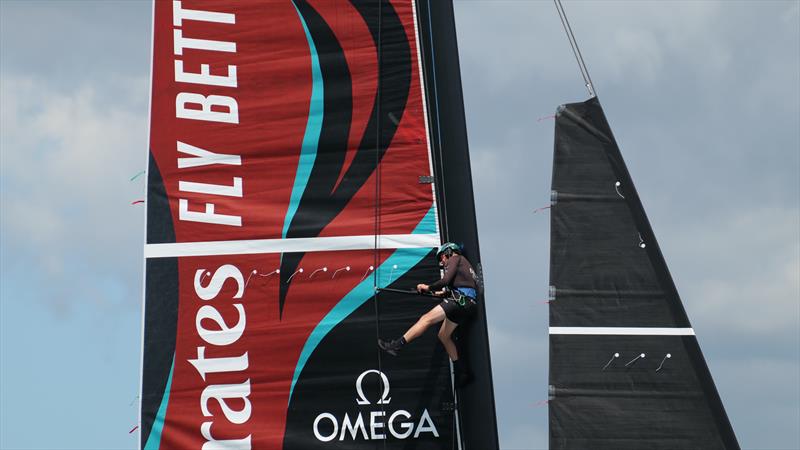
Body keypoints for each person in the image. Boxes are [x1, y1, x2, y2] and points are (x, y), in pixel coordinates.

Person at [378, 242, 479, 386]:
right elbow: (446, 292)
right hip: (467, 304)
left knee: (425, 319)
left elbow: (445, 281)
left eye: (442, 258)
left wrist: (427, 286)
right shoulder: (465, 266)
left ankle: (396, 345)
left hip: (460, 301)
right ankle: (463, 372)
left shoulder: (455, 259)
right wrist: (428, 291)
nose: (442, 262)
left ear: (449, 252)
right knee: (443, 335)